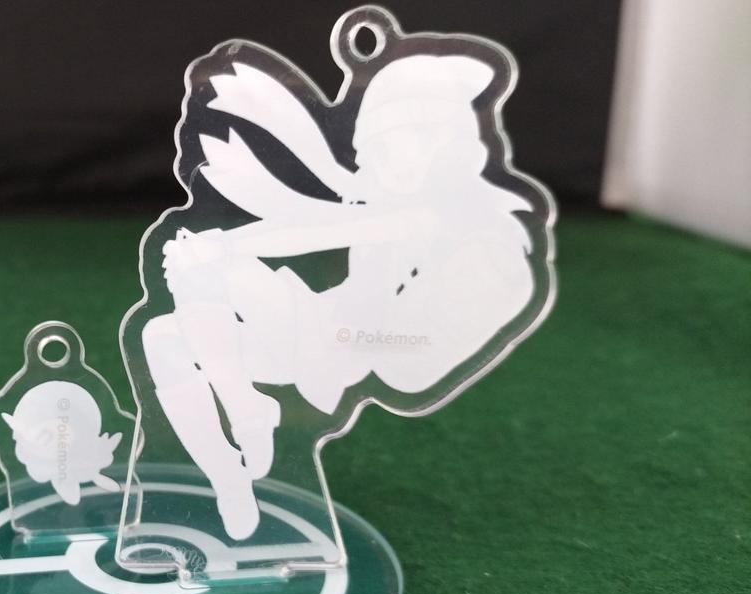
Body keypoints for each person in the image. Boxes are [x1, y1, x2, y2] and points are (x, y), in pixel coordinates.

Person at [143, 56, 536, 540]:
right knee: (162, 337)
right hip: (344, 336)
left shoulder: (453, 215)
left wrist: (218, 247)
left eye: (403, 142)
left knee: (207, 266)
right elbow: (326, 223)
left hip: (370, 345)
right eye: (377, 150)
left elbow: (330, 230)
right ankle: (229, 476)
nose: (387, 162)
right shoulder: (397, 211)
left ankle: (247, 411)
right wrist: (212, 247)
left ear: (444, 139)